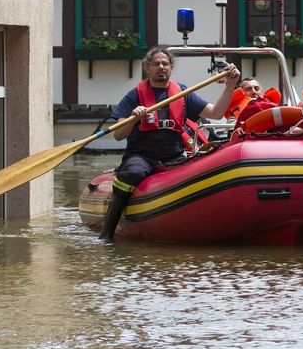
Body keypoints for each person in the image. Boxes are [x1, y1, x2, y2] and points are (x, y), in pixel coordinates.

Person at [99, 46, 241, 241]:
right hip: (142, 156)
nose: (161, 67)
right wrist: (133, 118)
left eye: (165, 63)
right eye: (156, 64)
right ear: (147, 68)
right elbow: (118, 135)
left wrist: (230, 85)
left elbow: (216, 113)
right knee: (132, 173)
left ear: (171, 68)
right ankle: (106, 233)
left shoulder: (183, 93)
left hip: (174, 156)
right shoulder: (134, 96)